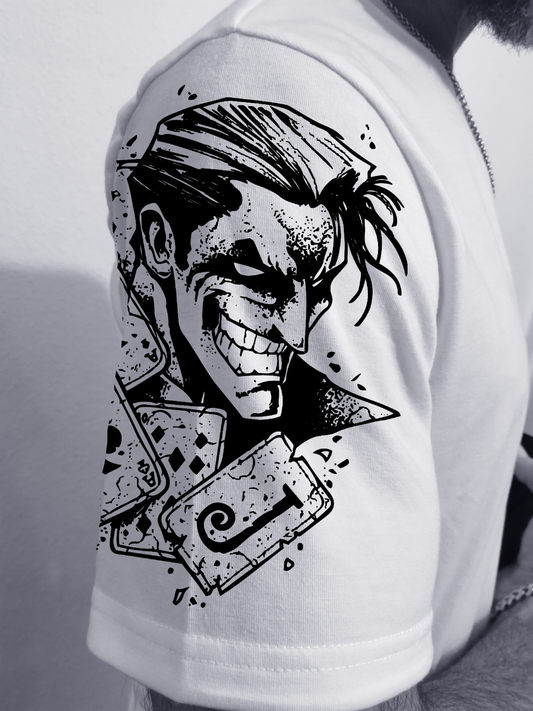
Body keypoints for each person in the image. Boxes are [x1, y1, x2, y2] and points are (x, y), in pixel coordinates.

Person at [87, 0, 533, 709]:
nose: (297, 333)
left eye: (316, 287)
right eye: (260, 278)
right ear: (163, 241)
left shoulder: (397, 73)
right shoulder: (285, 83)